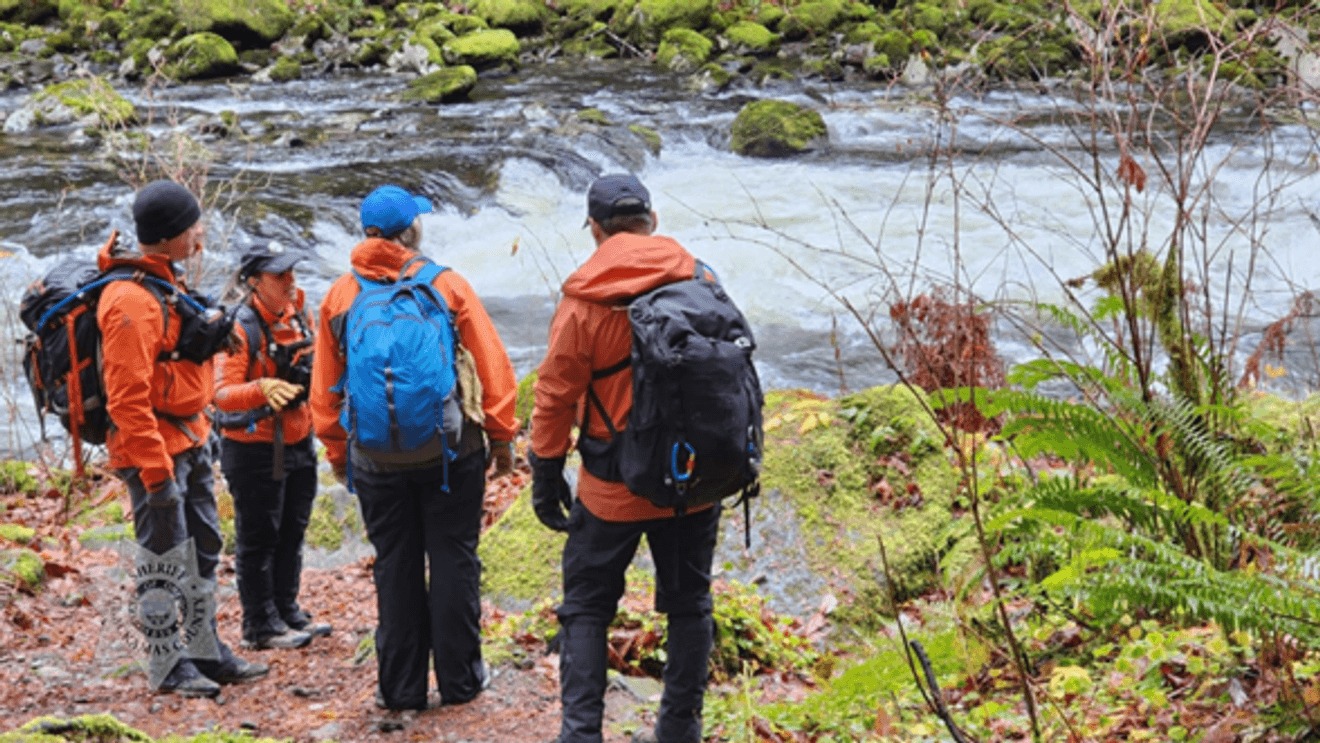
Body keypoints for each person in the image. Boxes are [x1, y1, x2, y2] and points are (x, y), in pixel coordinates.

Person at [309, 183, 519, 711]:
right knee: (454, 558)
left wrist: (338, 452)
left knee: (395, 563)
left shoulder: (340, 295)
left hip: (376, 458)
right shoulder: (446, 285)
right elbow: (492, 365)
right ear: (411, 232)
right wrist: (501, 438)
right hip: (451, 452)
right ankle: (461, 682)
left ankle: (400, 689)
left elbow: (324, 389)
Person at [530, 173, 723, 743]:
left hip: (612, 486)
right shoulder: (701, 279)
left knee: (586, 608)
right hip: (693, 479)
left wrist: (546, 471)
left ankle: (582, 733)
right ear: (652, 220)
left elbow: (555, 395)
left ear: (595, 230)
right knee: (690, 604)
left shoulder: (584, 303)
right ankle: (679, 730)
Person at [99, 179, 268, 697]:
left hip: (189, 442)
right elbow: (126, 401)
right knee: (162, 558)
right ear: (170, 235)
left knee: (203, 546)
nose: (201, 232)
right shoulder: (129, 302)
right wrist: (154, 474)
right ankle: (167, 662)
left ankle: (204, 649)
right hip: (153, 453)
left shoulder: (163, 282)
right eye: (193, 225)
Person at [213, 241, 332, 651]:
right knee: (259, 535)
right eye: (279, 275)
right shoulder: (238, 326)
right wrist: (262, 388)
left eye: (291, 272)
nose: (290, 280)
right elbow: (222, 394)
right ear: (253, 281)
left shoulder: (300, 313)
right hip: (253, 447)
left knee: (292, 530)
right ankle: (259, 624)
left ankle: (286, 607)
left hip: (299, 438)